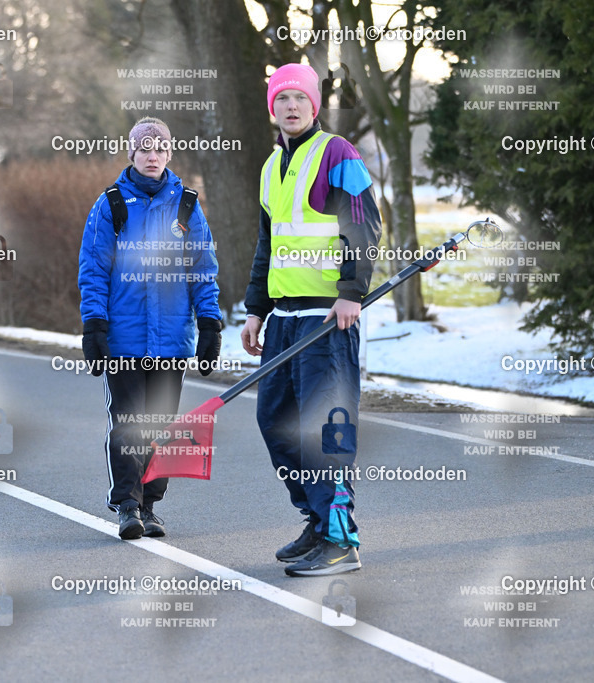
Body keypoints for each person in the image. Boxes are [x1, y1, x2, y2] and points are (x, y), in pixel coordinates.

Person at [240, 63, 381, 576]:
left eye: (301, 98)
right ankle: (318, 521)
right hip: (283, 319)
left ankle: (341, 540)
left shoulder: (337, 153)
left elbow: (363, 223)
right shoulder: (270, 166)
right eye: (283, 99)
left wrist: (351, 292)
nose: (291, 106)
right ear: (272, 108)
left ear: (314, 105)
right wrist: (255, 309)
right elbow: (267, 246)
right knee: (275, 421)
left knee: (326, 431)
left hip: (327, 319)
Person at [78, 116, 222, 540]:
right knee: (128, 422)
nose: (153, 155)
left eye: (160, 148)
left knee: (161, 425)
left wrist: (210, 323)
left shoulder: (188, 206)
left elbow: (203, 269)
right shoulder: (111, 205)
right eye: (145, 148)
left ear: (169, 153)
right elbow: (93, 270)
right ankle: (126, 504)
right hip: (124, 338)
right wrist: (94, 326)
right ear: (133, 153)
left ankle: (150, 505)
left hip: (172, 337)